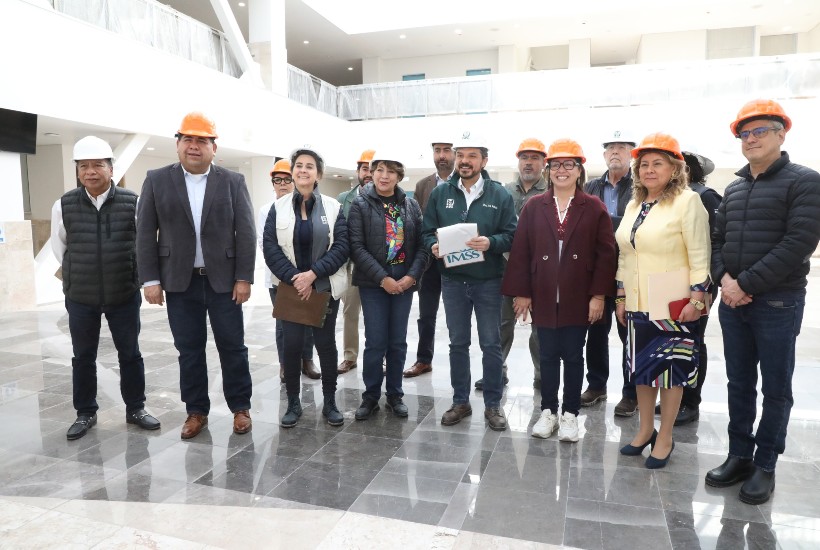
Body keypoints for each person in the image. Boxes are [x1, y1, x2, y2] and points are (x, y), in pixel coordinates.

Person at [706, 99, 820, 504]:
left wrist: (745, 283)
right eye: (744, 133)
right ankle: (739, 454)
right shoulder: (734, 188)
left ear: (781, 134)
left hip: (777, 303)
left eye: (760, 131)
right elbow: (716, 241)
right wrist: (724, 279)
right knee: (739, 382)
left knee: (776, 387)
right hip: (734, 302)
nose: (751, 139)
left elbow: (799, 242)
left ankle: (765, 463)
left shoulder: (804, 181)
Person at [136, 112, 255, 440]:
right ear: (177, 145)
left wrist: (244, 277)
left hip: (224, 283)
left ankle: (240, 407)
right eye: (187, 139)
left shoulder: (232, 182)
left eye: (202, 140)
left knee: (233, 346)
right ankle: (196, 411)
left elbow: (246, 232)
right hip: (178, 282)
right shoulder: (157, 180)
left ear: (213, 148)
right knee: (189, 350)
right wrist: (150, 280)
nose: (194, 146)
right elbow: (145, 232)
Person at [502, 139, 615, 441]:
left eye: (569, 164)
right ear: (549, 170)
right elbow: (522, 251)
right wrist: (522, 292)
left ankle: (570, 415)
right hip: (543, 295)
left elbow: (606, 255)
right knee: (548, 356)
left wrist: (599, 296)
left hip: (579, 298)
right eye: (556, 165)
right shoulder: (534, 206)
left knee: (574, 356)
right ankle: (548, 412)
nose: (561, 170)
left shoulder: (593, 207)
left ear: (580, 170)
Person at [52, 136, 160, 440]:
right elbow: (59, 248)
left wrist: (135, 275)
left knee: (130, 353)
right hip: (81, 296)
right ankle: (85, 412)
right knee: (82, 356)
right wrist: (76, 276)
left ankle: (136, 408)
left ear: (111, 169)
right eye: (83, 166)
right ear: (77, 172)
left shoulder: (132, 201)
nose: (90, 171)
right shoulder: (63, 204)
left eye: (97, 165)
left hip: (122, 292)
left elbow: (143, 244)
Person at [614, 132, 710, 469]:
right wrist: (621, 294)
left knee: (671, 371)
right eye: (644, 164)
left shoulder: (687, 201)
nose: (649, 170)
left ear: (675, 169)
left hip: (671, 295)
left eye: (658, 164)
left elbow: (700, 253)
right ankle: (644, 431)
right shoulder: (634, 204)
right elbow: (626, 254)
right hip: (638, 296)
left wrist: (697, 299)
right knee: (642, 370)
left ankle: (665, 436)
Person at [422, 132, 517, 431]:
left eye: (472, 155)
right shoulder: (440, 194)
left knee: (491, 344)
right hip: (452, 282)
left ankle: (493, 404)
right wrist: (432, 247)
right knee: (457, 343)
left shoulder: (499, 195)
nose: (464, 161)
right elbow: (426, 232)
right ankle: (460, 401)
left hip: (488, 281)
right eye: (460, 155)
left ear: (484, 161)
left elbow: (512, 235)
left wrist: (491, 242)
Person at [263, 146, 349, 429]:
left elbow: (341, 247)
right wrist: (295, 278)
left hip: (323, 287)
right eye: (298, 165)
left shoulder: (334, 208)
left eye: (309, 166)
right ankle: (293, 403)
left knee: (326, 345)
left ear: (318, 174)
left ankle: (330, 402)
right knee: (292, 345)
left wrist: (312, 274)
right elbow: (270, 247)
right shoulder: (278, 208)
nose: (302, 170)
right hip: (289, 289)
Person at [347, 151, 428, 420]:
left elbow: (422, 246)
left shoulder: (411, 205)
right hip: (374, 284)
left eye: (391, 171)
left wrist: (411, 277)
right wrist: (384, 279)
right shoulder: (360, 204)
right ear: (372, 172)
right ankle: (370, 396)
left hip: (404, 283)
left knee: (397, 342)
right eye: (380, 170)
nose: (384, 176)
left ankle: (395, 394)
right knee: (375, 341)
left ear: (399, 176)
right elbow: (356, 247)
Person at [654, 150, 722, 425]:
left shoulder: (704, 196)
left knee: (692, 342)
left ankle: (690, 401)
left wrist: (704, 289)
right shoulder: (662, 197)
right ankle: (674, 397)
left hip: (696, 285)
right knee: (671, 342)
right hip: (666, 282)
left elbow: (714, 243)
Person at [475, 138, 546, 391]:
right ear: (518, 161)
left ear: (543, 162)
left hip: (540, 272)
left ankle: (542, 374)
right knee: (501, 326)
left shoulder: (550, 192)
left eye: (535, 158)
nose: (529, 162)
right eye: (524, 157)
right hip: (504, 269)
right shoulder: (502, 191)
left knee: (540, 330)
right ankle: (496, 371)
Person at [581, 130, 638, 417]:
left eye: (622, 147)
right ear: (603, 155)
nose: (615, 152)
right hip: (599, 269)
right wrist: (615, 224)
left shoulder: (641, 186)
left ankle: (631, 392)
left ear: (631, 154)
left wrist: (604, 223)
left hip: (631, 270)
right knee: (595, 330)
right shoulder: (590, 186)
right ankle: (597, 385)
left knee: (630, 333)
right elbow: (583, 223)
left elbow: (639, 224)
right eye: (610, 148)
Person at [256, 159, 318, 382]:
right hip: (279, 277)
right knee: (284, 322)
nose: (282, 184)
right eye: (277, 180)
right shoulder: (267, 210)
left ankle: (307, 360)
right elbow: (266, 244)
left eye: (286, 180)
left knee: (309, 319)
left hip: (308, 275)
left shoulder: (309, 205)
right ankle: (285, 364)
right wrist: (290, 273)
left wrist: (306, 274)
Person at [403, 140, 454, 378]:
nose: (441, 156)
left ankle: (460, 361)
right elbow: (417, 224)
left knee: (459, 314)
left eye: (446, 151)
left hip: (458, 259)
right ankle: (424, 359)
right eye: (437, 151)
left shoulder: (464, 181)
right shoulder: (423, 185)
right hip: (430, 261)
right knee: (426, 314)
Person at [336, 149, 375, 374]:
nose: (368, 173)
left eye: (372, 168)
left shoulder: (384, 198)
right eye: (364, 169)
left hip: (375, 269)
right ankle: (350, 356)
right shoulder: (344, 199)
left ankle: (377, 356)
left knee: (375, 314)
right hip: (351, 267)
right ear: (358, 172)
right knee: (350, 313)